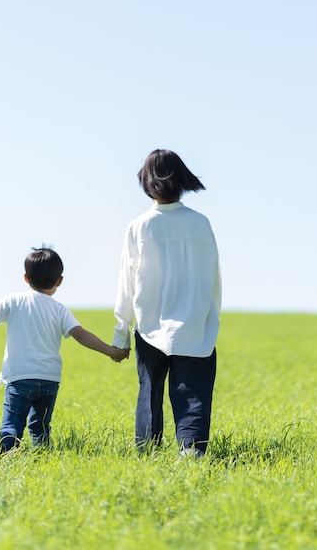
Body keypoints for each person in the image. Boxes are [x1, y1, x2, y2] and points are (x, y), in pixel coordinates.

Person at [0, 247, 129, 453]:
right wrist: (112, 352)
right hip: (49, 380)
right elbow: (81, 334)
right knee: (40, 427)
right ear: (59, 280)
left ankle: (5, 459)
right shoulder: (59, 309)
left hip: (20, 378)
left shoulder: (14, 300)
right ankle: (41, 458)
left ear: (25, 277)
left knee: (11, 426)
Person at [113, 149, 222, 457]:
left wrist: (121, 333)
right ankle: (191, 450)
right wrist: (209, 317)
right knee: (194, 391)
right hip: (195, 324)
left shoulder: (139, 227)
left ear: (146, 182)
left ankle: (147, 451)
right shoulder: (201, 223)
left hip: (150, 325)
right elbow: (214, 275)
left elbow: (127, 282)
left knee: (149, 391)